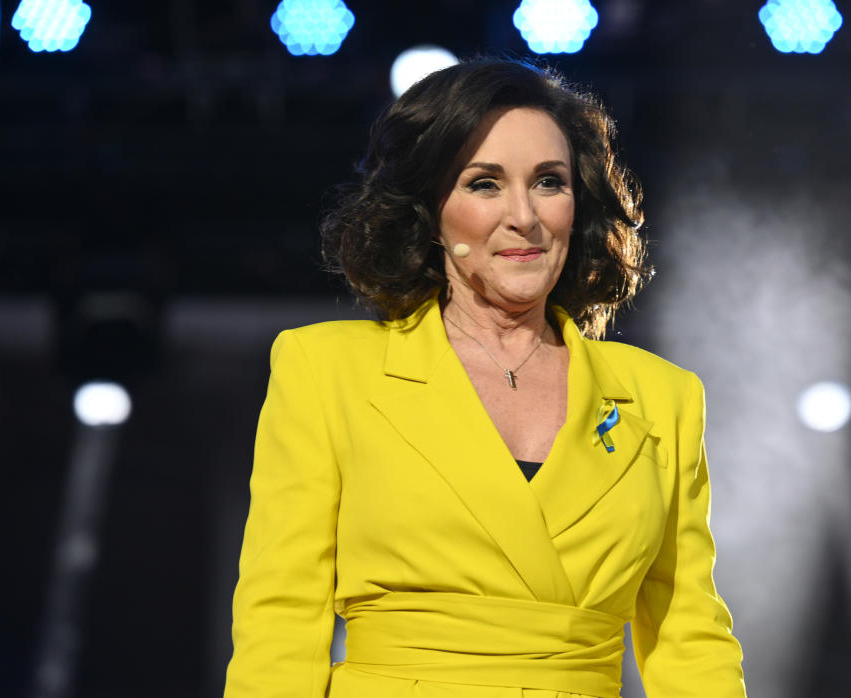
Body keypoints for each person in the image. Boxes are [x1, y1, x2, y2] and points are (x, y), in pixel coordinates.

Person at [224, 58, 746, 698]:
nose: (524, 216)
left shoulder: (663, 397)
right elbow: (280, 621)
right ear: (429, 209)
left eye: (549, 182)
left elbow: (690, 638)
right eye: (484, 184)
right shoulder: (326, 370)